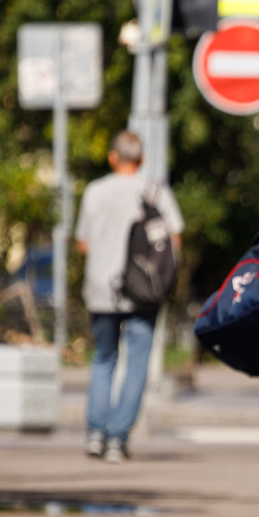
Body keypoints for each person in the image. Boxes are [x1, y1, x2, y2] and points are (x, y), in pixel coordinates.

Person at [73, 131, 181, 463]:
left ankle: (95, 433)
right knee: (137, 365)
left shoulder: (94, 191)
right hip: (144, 290)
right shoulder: (155, 190)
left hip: (102, 288)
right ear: (142, 159)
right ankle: (118, 439)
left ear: (112, 157)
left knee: (103, 359)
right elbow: (174, 238)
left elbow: (83, 243)